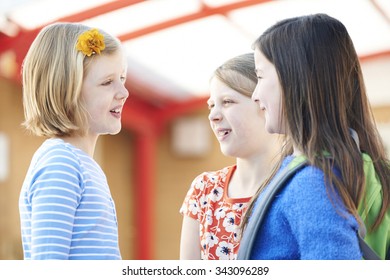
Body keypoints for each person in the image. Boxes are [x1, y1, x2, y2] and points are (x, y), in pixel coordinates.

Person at [240, 13, 390, 259]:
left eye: (260, 76)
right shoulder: (353, 168)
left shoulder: (312, 182)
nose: (255, 94)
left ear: (296, 78)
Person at [19, 22, 129, 260]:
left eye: (122, 78)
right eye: (107, 82)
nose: (124, 92)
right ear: (66, 91)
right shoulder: (62, 164)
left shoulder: (83, 166)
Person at [179, 53, 279, 260]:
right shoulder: (204, 191)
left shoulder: (297, 184)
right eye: (211, 105)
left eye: (227, 102)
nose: (213, 115)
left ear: (266, 104)